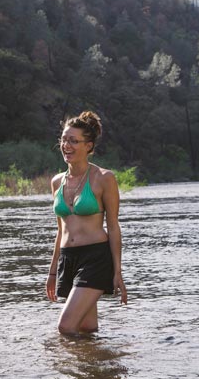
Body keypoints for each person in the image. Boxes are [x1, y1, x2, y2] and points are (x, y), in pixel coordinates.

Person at [46, 111, 127, 334]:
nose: (66, 145)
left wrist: (117, 271)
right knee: (86, 328)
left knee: (65, 326)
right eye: (64, 140)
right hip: (68, 258)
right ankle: (96, 356)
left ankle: (70, 360)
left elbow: (113, 226)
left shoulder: (104, 178)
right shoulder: (56, 182)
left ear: (88, 146)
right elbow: (60, 230)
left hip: (95, 258)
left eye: (74, 141)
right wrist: (52, 272)